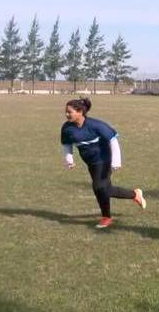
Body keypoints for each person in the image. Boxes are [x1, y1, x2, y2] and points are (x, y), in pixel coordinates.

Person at [60, 98, 146, 229]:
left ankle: (107, 217)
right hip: (91, 163)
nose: (66, 114)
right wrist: (69, 159)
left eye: (69, 112)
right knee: (104, 189)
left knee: (99, 187)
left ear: (80, 112)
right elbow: (67, 144)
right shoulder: (67, 128)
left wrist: (116, 161)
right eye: (66, 112)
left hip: (104, 159)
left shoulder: (96, 125)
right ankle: (134, 195)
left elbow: (113, 140)